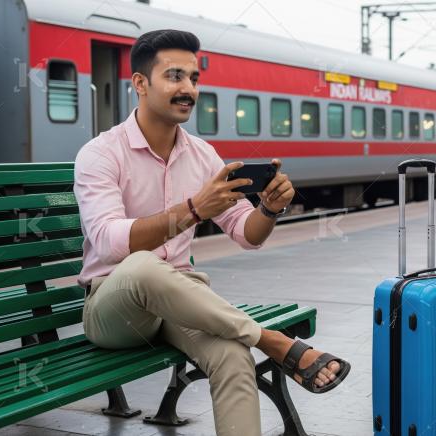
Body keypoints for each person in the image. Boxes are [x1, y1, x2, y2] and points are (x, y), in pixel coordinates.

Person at [74, 30, 350, 436]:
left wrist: (270, 208)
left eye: (193, 78)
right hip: (114, 309)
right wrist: (193, 211)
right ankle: (272, 341)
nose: (188, 89)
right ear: (140, 83)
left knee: (234, 356)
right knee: (141, 265)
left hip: (180, 302)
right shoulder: (100, 153)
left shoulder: (202, 155)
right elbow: (111, 240)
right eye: (174, 77)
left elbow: (246, 234)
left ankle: (257, 341)